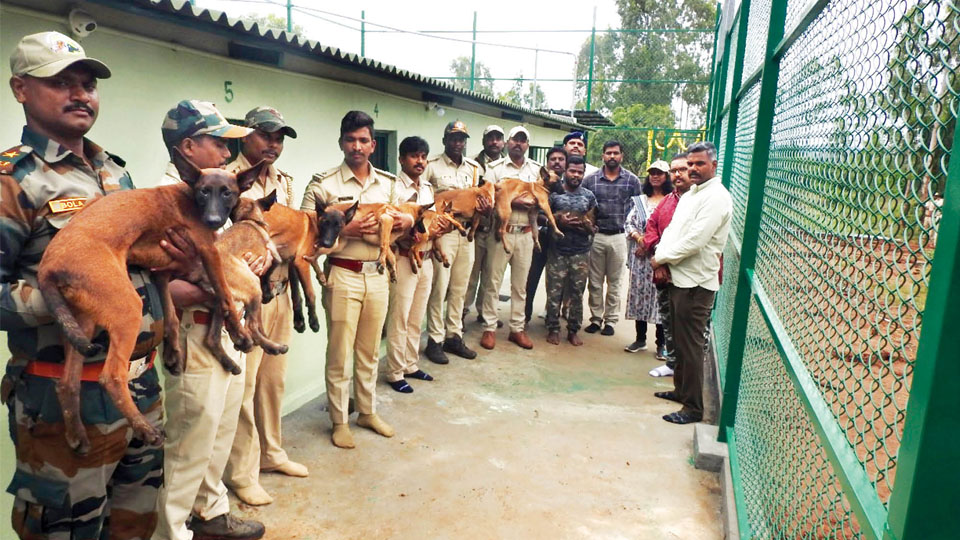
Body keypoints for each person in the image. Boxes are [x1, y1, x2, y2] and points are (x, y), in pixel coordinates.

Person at [1, 31, 169, 540]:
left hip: (140, 387)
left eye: (88, 83)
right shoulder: (13, 183)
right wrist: (76, 298)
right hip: (61, 401)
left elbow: (134, 272)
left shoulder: (115, 174)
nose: (81, 94)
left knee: (135, 525)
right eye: (62, 83)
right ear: (20, 90)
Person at [154, 99, 267, 540]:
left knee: (219, 434)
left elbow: (229, 258)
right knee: (188, 445)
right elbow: (165, 287)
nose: (225, 153)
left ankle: (212, 516)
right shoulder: (168, 202)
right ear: (187, 148)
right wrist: (228, 286)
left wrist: (247, 273)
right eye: (218, 142)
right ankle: (173, 530)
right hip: (195, 332)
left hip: (228, 328)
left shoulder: (220, 190)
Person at [301, 110, 410, 448]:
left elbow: (407, 217)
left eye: (363, 140)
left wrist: (404, 221)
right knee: (339, 353)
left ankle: (367, 411)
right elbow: (305, 228)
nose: (357, 146)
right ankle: (338, 420)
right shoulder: (324, 183)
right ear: (341, 143)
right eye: (350, 139)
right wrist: (345, 229)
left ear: (373, 145)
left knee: (369, 351)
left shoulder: (389, 183)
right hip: (343, 274)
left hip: (377, 275)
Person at [223, 106, 308, 508]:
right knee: (244, 387)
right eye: (265, 135)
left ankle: (272, 453)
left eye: (280, 137)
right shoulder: (227, 177)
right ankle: (241, 472)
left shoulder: (285, 183)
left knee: (273, 381)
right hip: (245, 298)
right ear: (244, 135)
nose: (273, 144)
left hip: (281, 291)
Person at [652, 141, 731, 425]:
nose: (693, 169)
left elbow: (696, 241)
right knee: (680, 343)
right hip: (679, 278)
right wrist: (662, 256)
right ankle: (680, 391)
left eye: (699, 164)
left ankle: (694, 408)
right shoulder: (692, 194)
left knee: (691, 346)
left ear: (713, 165)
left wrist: (660, 259)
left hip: (696, 284)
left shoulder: (717, 197)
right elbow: (674, 230)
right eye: (690, 164)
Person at [422, 121, 482, 364]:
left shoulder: (474, 168)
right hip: (444, 233)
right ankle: (434, 339)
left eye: (462, 139)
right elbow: (422, 199)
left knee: (461, 286)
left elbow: (479, 198)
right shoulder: (431, 166)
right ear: (445, 139)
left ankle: (454, 336)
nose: (458, 143)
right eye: (454, 138)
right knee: (440, 287)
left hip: (467, 233)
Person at [479, 126, 541, 350]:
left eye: (523, 141)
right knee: (492, 282)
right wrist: (513, 201)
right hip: (500, 232)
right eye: (515, 139)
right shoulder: (495, 169)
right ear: (507, 142)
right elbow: (486, 197)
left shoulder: (535, 170)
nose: (518, 144)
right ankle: (489, 328)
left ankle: (517, 328)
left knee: (520, 285)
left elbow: (541, 198)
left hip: (525, 234)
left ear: (527, 145)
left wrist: (526, 200)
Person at [384, 136, 437, 393]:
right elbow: (392, 225)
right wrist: (406, 235)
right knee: (400, 316)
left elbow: (432, 221)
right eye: (415, 156)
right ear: (402, 159)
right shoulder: (393, 188)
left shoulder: (428, 188)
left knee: (417, 315)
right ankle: (395, 372)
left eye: (424, 156)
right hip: (403, 259)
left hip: (426, 257)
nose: (420, 161)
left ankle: (410, 364)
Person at [582, 140, 642, 336]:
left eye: (616, 153)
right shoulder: (590, 180)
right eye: (608, 153)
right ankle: (596, 318)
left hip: (620, 237)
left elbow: (639, 210)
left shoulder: (632, 181)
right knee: (595, 281)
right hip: (597, 236)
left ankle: (610, 321)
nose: (612, 156)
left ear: (622, 156)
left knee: (615, 282)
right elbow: (582, 205)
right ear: (603, 156)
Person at [644, 153, 691, 377]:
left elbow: (692, 241)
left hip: (689, 275)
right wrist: (658, 262)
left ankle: (689, 371)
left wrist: (661, 259)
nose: (677, 174)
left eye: (683, 169)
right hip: (663, 273)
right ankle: (672, 363)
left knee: (690, 327)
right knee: (668, 319)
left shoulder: (698, 201)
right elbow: (651, 228)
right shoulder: (668, 200)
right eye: (674, 170)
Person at [544, 155, 596, 346]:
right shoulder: (554, 195)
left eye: (580, 172)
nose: (576, 175)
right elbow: (542, 218)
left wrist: (588, 226)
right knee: (554, 292)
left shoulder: (589, 196)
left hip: (580, 252)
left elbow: (594, 220)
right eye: (572, 171)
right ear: (565, 171)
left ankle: (573, 330)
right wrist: (558, 220)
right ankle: (553, 328)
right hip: (557, 251)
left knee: (577, 293)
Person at [624, 160, 673, 353]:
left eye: (659, 173)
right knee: (639, 297)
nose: (655, 176)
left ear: (666, 176)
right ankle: (640, 339)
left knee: (660, 298)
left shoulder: (672, 201)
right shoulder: (640, 201)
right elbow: (629, 223)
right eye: (652, 172)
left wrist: (651, 245)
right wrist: (639, 239)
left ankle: (661, 344)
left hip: (660, 258)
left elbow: (672, 229)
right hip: (640, 258)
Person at [464, 125, 506, 326]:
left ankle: (484, 312)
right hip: (476, 227)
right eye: (490, 137)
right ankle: (461, 314)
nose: (494, 142)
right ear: (483, 141)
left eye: (498, 138)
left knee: (491, 277)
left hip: (496, 230)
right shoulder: (472, 164)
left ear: (503, 142)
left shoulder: (507, 167)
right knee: (470, 275)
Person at [524, 146, 567, 324]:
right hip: (540, 237)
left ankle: (552, 318)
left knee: (557, 281)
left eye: (561, 159)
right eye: (553, 159)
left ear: (566, 164)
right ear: (547, 163)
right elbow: (531, 210)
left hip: (559, 241)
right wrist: (549, 220)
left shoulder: (569, 185)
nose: (557, 162)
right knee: (531, 278)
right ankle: (524, 317)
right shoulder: (537, 183)